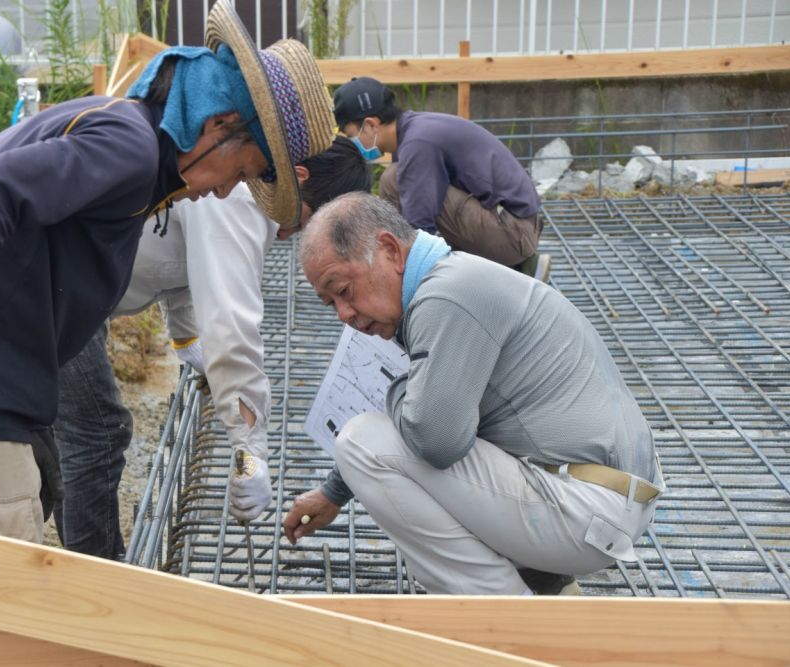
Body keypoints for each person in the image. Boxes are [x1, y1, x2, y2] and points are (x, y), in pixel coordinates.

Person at [0, 1, 337, 544]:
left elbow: (30, 268)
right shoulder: (131, 150)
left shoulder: (127, 138)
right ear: (218, 125)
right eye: (244, 171)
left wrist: (30, 418)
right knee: (4, 617)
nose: (228, 190)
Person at [283, 192, 662, 595]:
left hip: (589, 509)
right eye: (330, 303)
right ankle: (545, 586)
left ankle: (505, 622)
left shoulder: (447, 297)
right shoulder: (451, 279)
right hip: (604, 501)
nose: (344, 315)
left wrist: (400, 389)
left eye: (343, 289)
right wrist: (334, 492)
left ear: (390, 250)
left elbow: (435, 440)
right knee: (428, 424)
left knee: (360, 441)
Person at [54, 136, 371, 559]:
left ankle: (86, 565)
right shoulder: (239, 198)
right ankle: (94, 582)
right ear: (299, 179)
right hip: (53, 288)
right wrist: (250, 449)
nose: (292, 236)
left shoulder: (246, 187)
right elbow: (231, 320)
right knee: (97, 434)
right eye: (306, 223)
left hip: (74, 288)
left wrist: (186, 339)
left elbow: (187, 266)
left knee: (68, 436)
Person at [333, 76, 552, 282]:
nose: (354, 141)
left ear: (371, 124)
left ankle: (518, 270)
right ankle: (510, 267)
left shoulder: (418, 144)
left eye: (352, 134)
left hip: (513, 234)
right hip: (513, 224)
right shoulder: (414, 130)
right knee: (394, 178)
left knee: (416, 197)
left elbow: (419, 224)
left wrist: (403, 275)